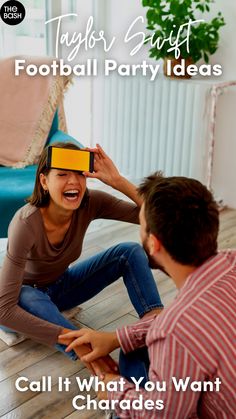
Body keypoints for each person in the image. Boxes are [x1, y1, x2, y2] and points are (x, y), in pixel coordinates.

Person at [61, 173, 236, 418]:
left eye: (141, 227)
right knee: (132, 348)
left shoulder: (174, 330)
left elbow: (162, 414)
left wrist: (114, 390)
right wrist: (117, 337)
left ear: (153, 244)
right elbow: (180, 327)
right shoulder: (231, 261)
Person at [0, 143, 163, 365]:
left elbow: (154, 216)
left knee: (129, 252)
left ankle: (153, 328)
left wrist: (117, 180)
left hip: (60, 287)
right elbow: (3, 309)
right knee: (27, 294)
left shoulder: (91, 202)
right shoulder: (25, 223)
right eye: (62, 174)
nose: (73, 181)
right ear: (44, 181)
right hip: (21, 302)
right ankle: (96, 360)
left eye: (79, 174)